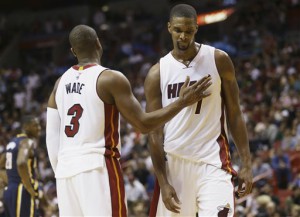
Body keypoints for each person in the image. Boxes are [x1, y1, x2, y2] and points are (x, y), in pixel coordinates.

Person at [46, 24, 211, 217]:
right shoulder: (109, 78)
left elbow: (51, 136)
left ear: (73, 51)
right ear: (98, 44)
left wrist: (61, 170)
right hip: (96, 167)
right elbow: (143, 124)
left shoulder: (59, 83)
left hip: (65, 173)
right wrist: (181, 103)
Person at [144, 4, 253, 217]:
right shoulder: (157, 73)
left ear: (196, 29)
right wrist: (163, 181)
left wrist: (247, 164)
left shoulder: (218, 60)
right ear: (169, 28)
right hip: (174, 165)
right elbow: (154, 132)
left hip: (213, 162)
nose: (183, 36)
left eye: (188, 31)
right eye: (177, 30)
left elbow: (235, 113)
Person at [1, 115, 42, 217]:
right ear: (26, 127)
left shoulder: (12, 143)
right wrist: (30, 189)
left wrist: (7, 181)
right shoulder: (27, 141)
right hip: (21, 190)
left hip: (9, 191)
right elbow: (21, 163)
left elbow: (1, 163)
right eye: (35, 125)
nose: (39, 128)